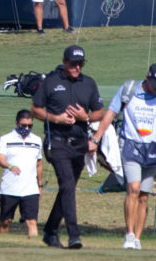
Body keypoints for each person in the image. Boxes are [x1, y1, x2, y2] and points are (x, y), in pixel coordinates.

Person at [90, 63, 156, 250]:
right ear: (147, 77)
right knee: (133, 189)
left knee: (144, 195)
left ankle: (137, 238)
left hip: (153, 151)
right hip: (131, 147)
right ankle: (128, 234)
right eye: (155, 83)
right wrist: (96, 138)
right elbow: (110, 114)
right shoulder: (129, 90)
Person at [32, 45, 103, 249]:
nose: (77, 67)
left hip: (79, 144)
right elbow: (35, 110)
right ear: (65, 62)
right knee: (68, 185)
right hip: (57, 142)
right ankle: (74, 235)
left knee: (67, 188)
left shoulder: (89, 83)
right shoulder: (51, 82)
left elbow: (99, 112)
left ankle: (50, 232)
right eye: (73, 63)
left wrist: (86, 117)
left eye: (80, 63)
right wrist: (56, 118)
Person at [0, 109, 44, 237]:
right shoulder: (5, 139)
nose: (27, 128)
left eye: (30, 126)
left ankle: (33, 249)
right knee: (6, 221)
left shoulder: (37, 140)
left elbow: (39, 164)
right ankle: (1, 245)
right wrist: (10, 166)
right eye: (24, 125)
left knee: (32, 222)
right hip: (9, 188)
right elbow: (0, 160)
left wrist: (40, 186)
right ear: (17, 123)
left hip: (30, 189)